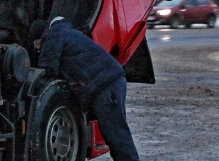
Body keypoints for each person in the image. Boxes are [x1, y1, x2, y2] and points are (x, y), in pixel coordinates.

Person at [30, 17, 139, 161]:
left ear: (39, 37)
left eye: (37, 45)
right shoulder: (67, 32)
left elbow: (48, 68)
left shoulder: (52, 36)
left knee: (117, 135)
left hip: (105, 85)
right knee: (115, 133)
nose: (38, 48)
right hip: (111, 81)